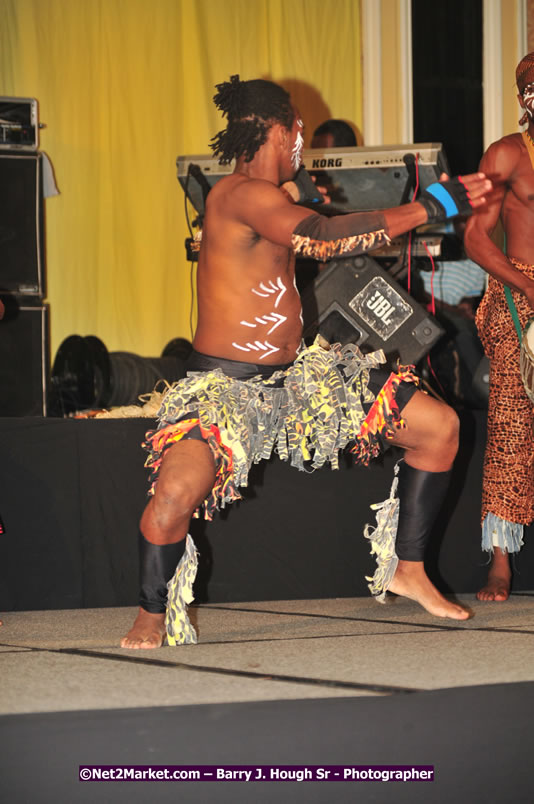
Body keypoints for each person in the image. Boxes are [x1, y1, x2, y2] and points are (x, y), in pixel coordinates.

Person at [121, 75, 491, 649]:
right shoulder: (241, 194)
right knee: (173, 497)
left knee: (438, 427)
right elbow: (321, 240)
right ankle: (151, 610)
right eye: (297, 127)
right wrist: (431, 205)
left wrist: (312, 200)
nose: (302, 138)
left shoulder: (276, 196)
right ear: (276, 130)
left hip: (299, 380)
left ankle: (408, 567)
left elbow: (309, 225)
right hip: (228, 387)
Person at [464, 52, 534, 602]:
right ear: (520, 98)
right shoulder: (506, 155)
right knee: (512, 419)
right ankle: (502, 563)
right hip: (517, 291)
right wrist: (525, 284)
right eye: (530, 86)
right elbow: (476, 238)